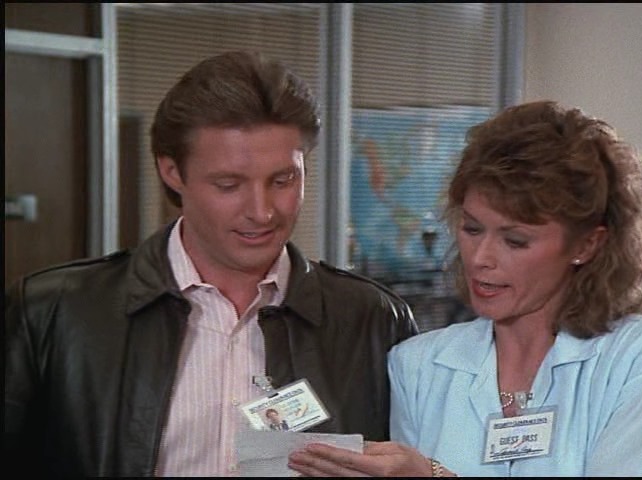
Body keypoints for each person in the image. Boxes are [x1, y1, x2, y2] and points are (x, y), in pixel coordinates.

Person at [4, 50, 418, 477]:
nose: (261, 211)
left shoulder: (372, 321)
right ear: (172, 172)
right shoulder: (54, 314)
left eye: (282, 180)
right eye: (228, 184)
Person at [287, 100, 642, 477]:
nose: (480, 258)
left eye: (515, 241)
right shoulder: (419, 366)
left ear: (586, 245)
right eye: (471, 229)